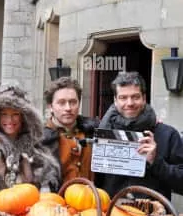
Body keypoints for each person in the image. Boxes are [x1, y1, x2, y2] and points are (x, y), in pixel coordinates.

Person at [96, 71, 183, 199]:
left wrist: (156, 162)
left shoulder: (168, 135)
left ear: (144, 98)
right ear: (115, 100)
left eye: (135, 97)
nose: (130, 103)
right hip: (111, 209)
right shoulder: (103, 133)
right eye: (123, 97)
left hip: (153, 210)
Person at [42, 77, 99, 184]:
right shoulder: (40, 139)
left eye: (73, 102)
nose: (68, 108)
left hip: (92, 194)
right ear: (50, 106)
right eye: (61, 103)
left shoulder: (94, 131)